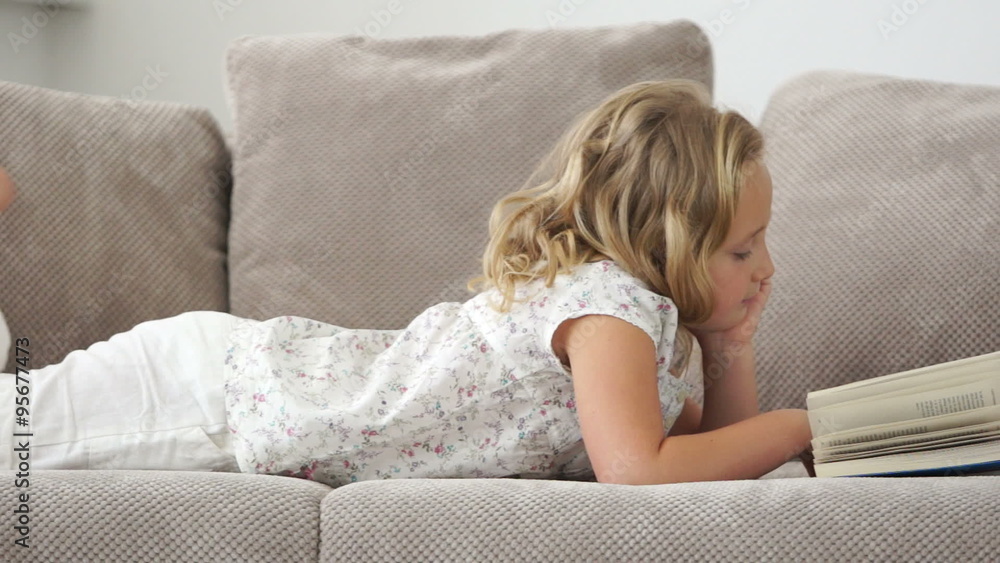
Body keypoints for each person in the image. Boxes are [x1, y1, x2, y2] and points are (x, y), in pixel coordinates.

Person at [0, 80, 814, 486]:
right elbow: (641, 469)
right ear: (661, 237)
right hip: (215, 395)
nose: (766, 267)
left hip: (235, 393)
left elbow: (711, 462)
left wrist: (726, 345)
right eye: (743, 250)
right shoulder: (607, 307)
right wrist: (794, 426)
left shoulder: (637, 327)